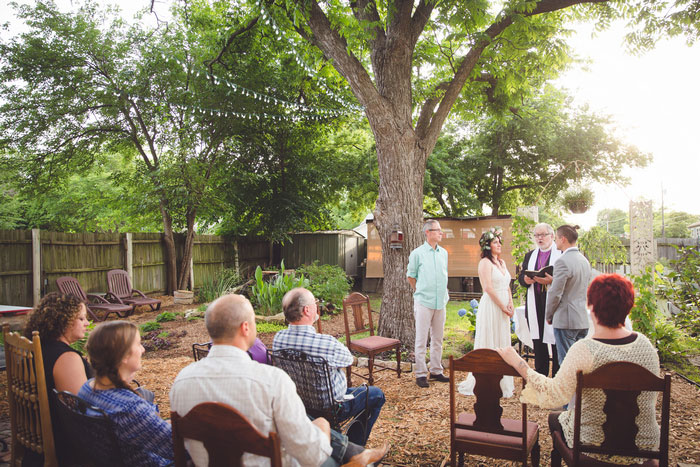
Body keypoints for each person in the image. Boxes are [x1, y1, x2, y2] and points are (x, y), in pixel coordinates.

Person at [170, 294, 388, 467]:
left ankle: (356, 455)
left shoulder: (181, 382)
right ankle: (357, 457)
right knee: (323, 435)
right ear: (245, 328)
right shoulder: (271, 382)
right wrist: (322, 430)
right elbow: (312, 456)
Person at [497, 274, 661, 463]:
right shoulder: (646, 347)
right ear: (629, 305)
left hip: (593, 446)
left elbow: (553, 395)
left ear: (590, 307)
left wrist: (518, 362)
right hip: (643, 447)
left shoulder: (585, 350)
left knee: (554, 418)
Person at [273, 287, 385, 446]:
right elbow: (348, 359)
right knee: (376, 394)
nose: (317, 306)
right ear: (307, 310)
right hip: (332, 409)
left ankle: (339, 442)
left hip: (300, 405)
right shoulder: (326, 343)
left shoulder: (279, 339)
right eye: (314, 303)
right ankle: (353, 447)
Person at [79, 321, 174, 466]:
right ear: (123, 355)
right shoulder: (129, 407)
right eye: (138, 344)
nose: (142, 350)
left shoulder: (88, 388)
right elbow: (178, 449)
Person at [22, 292, 92, 466]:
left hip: (34, 439)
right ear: (64, 320)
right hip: (64, 446)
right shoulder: (66, 358)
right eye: (81, 319)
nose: (87, 324)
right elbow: (80, 410)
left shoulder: (37, 347)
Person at [458, 227, 515, 398]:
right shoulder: (485, 263)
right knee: (490, 339)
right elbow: (488, 288)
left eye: (499, 242)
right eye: (495, 242)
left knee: (502, 340)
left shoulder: (502, 263)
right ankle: (485, 380)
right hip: (492, 306)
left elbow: (506, 285)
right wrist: (502, 306)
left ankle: (503, 380)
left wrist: (510, 303)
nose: (499, 244)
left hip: (504, 305)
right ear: (487, 246)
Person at [406, 219, 450, 388]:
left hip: (441, 302)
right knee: (421, 339)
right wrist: (420, 291)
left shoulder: (443, 253)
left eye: (440, 230)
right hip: (424, 301)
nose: (441, 233)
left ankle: (436, 370)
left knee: (438, 339)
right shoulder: (417, 253)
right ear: (427, 232)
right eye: (437, 230)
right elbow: (411, 276)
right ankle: (421, 373)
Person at [517, 223, 561, 376]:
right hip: (535, 301)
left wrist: (552, 280)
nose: (540, 238)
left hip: (554, 302)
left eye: (543, 235)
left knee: (556, 339)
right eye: (537, 235)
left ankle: (557, 374)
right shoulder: (530, 255)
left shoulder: (560, 254)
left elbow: (566, 278)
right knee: (538, 339)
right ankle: (541, 372)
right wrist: (526, 280)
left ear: (552, 236)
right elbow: (521, 276)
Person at [546, 224, 591, 365]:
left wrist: (549, 314)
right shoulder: (584, 261)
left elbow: (555, 293)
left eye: (556, 239)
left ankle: (568, 388)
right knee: (579, 365)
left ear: (563, 239)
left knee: (567, 366)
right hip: (582, 319)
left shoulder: (562, 261)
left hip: (566, 321)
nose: (555, 242)